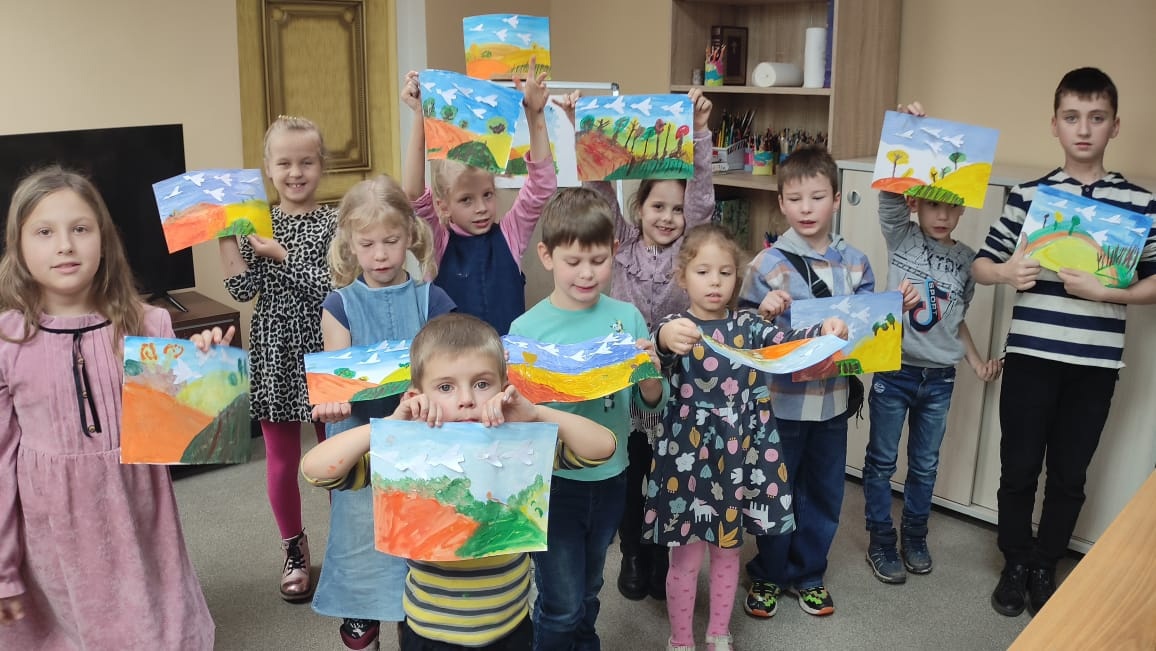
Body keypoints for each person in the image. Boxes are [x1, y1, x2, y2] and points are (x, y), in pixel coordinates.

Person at [300, 313, 617, 650]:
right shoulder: (406, 450)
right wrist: (389, 426)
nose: (467, 399)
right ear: (416, 395)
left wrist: (537, 414)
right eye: (446, 387)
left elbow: (602, 447)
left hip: (510, 629)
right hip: (430, 634)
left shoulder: (519, 443)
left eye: (481, 384)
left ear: (503, 387)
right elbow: (316, 469)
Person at [0, 166, 215, 649]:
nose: (65, 245)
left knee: (150, 623)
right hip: (52, 529)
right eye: (44, 232)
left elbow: (183, 442)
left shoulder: (150, 324)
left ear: (104, 239)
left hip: (138, 517)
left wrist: (205, 378)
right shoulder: (7, 340)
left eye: (80, 228)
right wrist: (4, 568)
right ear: (18, 247)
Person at [972, 67, 1156, 617]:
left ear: (1114, 126)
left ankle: (1044, 563)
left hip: (1095, 365)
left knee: (1070, 474)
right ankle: (1014, 562)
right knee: (1019, 468)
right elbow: (981, 264)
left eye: (1097, 118)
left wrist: (1110, 293)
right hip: (1030, 357)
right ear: (1054, 124)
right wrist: (1007, 273)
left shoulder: (1140, 203)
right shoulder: (1029, 195)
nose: (1084, 128)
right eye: (1072, 117)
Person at [647, 224, 847, 651]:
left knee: (728, 550)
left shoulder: (748, 326)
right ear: (683, 277)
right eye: (703, 272)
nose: (715, 282)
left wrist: (823, 331)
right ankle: (680, 640)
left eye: (724, 272)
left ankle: (719, 632)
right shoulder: (676, 326)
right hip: (688, 460)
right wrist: (664, 337)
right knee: (685, 557)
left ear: (737, 278)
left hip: (737, 458)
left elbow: (786, 341)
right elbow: (656, 349)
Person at [737, 147, 917, 619]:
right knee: (774, 490)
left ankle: (809, 573)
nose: (806, 207)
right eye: (795, 198)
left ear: (837, 199)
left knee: (824, 491)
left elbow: (870, 329)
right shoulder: (767, 264)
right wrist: (764, 311)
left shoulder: (855, 263)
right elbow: (744, 331)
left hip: (834, 401)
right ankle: (769, 572)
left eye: (817, 197)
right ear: (781, 202)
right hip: (781, 403)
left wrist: (894, 307)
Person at [552, 87, 716, 602]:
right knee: (630, 471)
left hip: (676, 386)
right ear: (638, 208)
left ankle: (660, 554)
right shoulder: (619, 244)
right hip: (624, 387)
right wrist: (583, 127)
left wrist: (700, 132)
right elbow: (599, 188)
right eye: (657, 206)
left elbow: (703, 200)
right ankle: (632, 551)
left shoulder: (689, 250)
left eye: (676, 209)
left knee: (669, 475)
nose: (667, 217)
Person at [509, 187, 668, 650]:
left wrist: (651, 375)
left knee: (590, 589)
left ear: (614, 252)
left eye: (598, 260)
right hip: (554, 483)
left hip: (612, 476)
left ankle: (585, 642)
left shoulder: (627, 318)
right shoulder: (526, 330)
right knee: (560, 602)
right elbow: (518, 423)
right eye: (573, 261)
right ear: (546, 256)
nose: (586, 272)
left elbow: (651, 404)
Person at [862, 101, 1004, 585]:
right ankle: (881, 540)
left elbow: (956, 321)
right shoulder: (902, 238)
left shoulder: (967, 261)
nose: (943, 216)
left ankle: (915, 536)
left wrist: (977, 362)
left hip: (940, 379)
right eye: (932, 205)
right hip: (895, 370)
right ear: (915, 204)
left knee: (924, 466)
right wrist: (908, 132)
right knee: (881, 462)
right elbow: (887, 193)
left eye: (951, 206)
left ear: (962, 208)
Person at [310, 175, 455, 649]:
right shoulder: (339, 305)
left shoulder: (432, 299)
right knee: (363, 547)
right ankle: (362, 622)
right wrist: (332, 402)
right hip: (364, 447)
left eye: (390, 241)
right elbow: (335, 381)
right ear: (350, 245)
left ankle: (416, 627)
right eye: (367, 244)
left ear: (410, 234)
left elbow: (449, 372)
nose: (380, 255)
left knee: (421, 555)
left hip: (423, 445)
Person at [218, 114, 337, 601]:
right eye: (284, 163)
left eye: (306, 162)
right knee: (281, 461)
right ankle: (293, 547)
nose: (295, 172)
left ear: (321, 165)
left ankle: (349, 545)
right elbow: (242, 289)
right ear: (268, 168)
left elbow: (333, 288)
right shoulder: (255, 222)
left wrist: (281, 256)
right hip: (273, 350)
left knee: (338, 454)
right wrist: (224, 233)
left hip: (328, 347)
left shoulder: (335, 223)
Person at [400, 60, 555, 335]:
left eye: (487, 195)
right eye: (466, 200)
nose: (481, 208)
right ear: (443, 206)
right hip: (450, 358)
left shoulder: (510, 234)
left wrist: (536, 115)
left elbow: (541, 186)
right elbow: (413, 195)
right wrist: (420, 116)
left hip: (504, 359)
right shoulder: (438, 242)